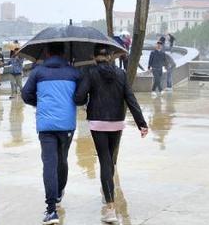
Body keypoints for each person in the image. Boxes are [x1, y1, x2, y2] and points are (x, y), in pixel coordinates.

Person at [74, 45, 148, 223]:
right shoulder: (121, 74)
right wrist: (141, 123)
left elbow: (79, 98)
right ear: (110, 56)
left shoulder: (90, 72)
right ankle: (108, 192)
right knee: (110, 161)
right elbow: (130, 98)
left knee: (105, 160)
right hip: (116, 123)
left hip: (98, 123)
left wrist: (84, 96)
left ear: (94, 57)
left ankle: (110, 207)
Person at [21, 42, 81, 224]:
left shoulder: (38, 72)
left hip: (46, 125)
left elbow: (26, 95)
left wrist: (41, 104)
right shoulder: (74, 73)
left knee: (49, 164)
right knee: (62, 160)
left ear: (46, 52)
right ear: (64, 53)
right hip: (67, 125)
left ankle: (51, 209)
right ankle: (60, 191)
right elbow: (81, 97)